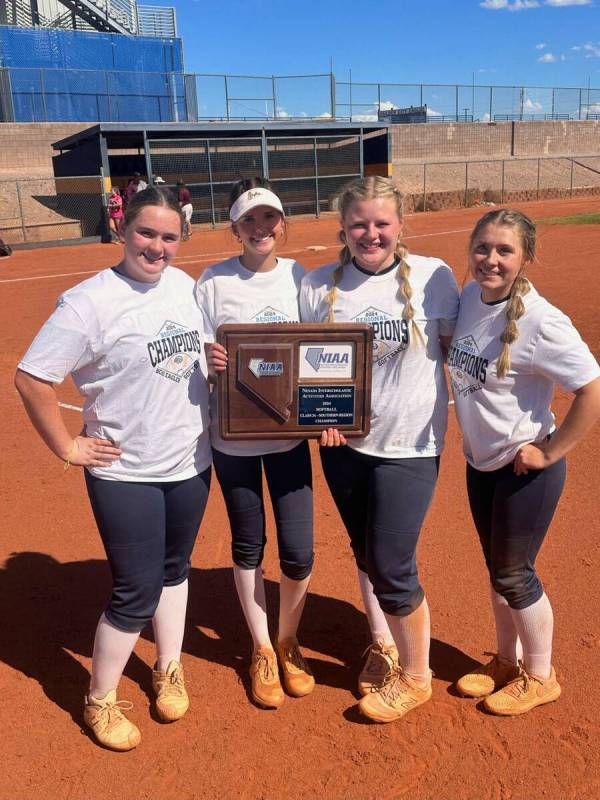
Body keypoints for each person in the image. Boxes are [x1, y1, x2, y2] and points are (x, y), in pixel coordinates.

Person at [15, 187, 212, 751]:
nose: (157, 247)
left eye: (169, 237)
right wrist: (66, 448)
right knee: (135, 588)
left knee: (175, 570)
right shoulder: (89, 302)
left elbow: (200, 354)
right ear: (124, 229)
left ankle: (167, 667)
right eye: (147, 233)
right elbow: (32, 378)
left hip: (190, 461)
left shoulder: (184, 286)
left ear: (181, 239)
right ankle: (100, 698)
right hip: (125, 471)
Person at [299, 175, 459, 723]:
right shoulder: (319, 285)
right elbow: (307, 364)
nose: (371, 233)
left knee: (393, 562)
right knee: (366, 553)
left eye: (381, 223)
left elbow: (462, 348)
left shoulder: (436, 278)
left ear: (400, 225)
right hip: (342, 445)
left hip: (410, 445)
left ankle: (417, 677)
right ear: (342, 228)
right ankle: (383, 645)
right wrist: (318, 415)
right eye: (359, 223)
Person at [448, 208, 600, 716]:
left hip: (524, 468)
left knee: (514, 574)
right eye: (483, 248)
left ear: (526, 258)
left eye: (505, 250)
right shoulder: (470, 297)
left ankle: (541, 675)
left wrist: (549, 451)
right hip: (481, 462)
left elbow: (591, 390)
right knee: (497, 571)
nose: (491, 260)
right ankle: (506, 661)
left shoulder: (541, 320)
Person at [195, 177, 315, 710]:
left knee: (299, 551)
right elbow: (196, 352)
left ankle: (288, 639)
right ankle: (261, 648)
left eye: (269, 218)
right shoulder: (213, 282)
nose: (260, 228)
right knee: (249, 545)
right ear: (235, 229)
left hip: (287, 439)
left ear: (282, 225)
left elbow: (321, 348)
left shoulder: (299, 279)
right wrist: (210, 359)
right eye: (250, 220)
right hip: (234, 441)